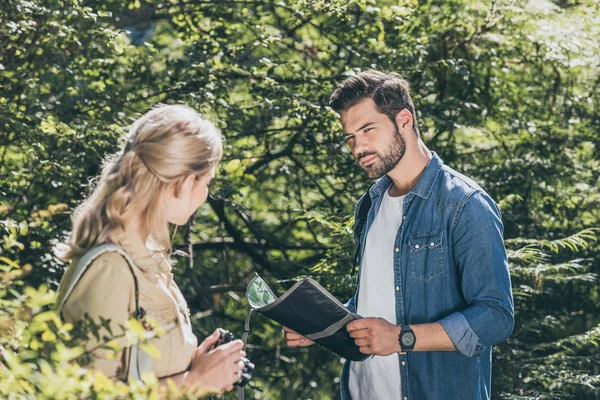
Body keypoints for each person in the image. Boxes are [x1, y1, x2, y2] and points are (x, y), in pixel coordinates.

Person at [283, 70, 514, 400]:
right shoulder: (371, 205)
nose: (358, 146)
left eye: (368, 129)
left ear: (404, 119)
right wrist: (322, 329)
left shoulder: (463, 204)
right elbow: (380, 299)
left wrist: (402, 338)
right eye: (350, 137)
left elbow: (496, 317)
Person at [56, 105, 244, 394]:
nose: (206, 194)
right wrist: (196, 381)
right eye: (207, 182)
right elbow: (88, 394)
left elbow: (140, 372)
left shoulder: (147, 260)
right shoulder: (110, 270)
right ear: (184, 183)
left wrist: (202, 363)